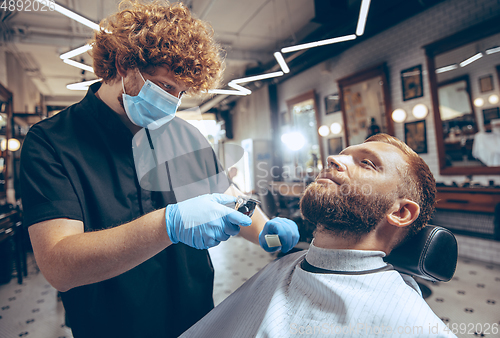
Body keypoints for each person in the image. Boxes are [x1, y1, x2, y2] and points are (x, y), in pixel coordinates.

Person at [19, 1, 299, 337]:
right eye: (166, 86)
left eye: (180, 93)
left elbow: (230, 200)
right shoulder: (52, 143)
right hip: (109, 327)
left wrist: (265, 230)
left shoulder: (186, 135)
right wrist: (168, 225)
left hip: (196, 321)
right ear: (125, 64)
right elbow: (59, 266)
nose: (172, 102)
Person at [180, 134, 457, 338]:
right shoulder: (285, 268)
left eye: (368, 163)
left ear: (401, 212)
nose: (333, 158)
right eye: (342, 153)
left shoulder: (415, 326)